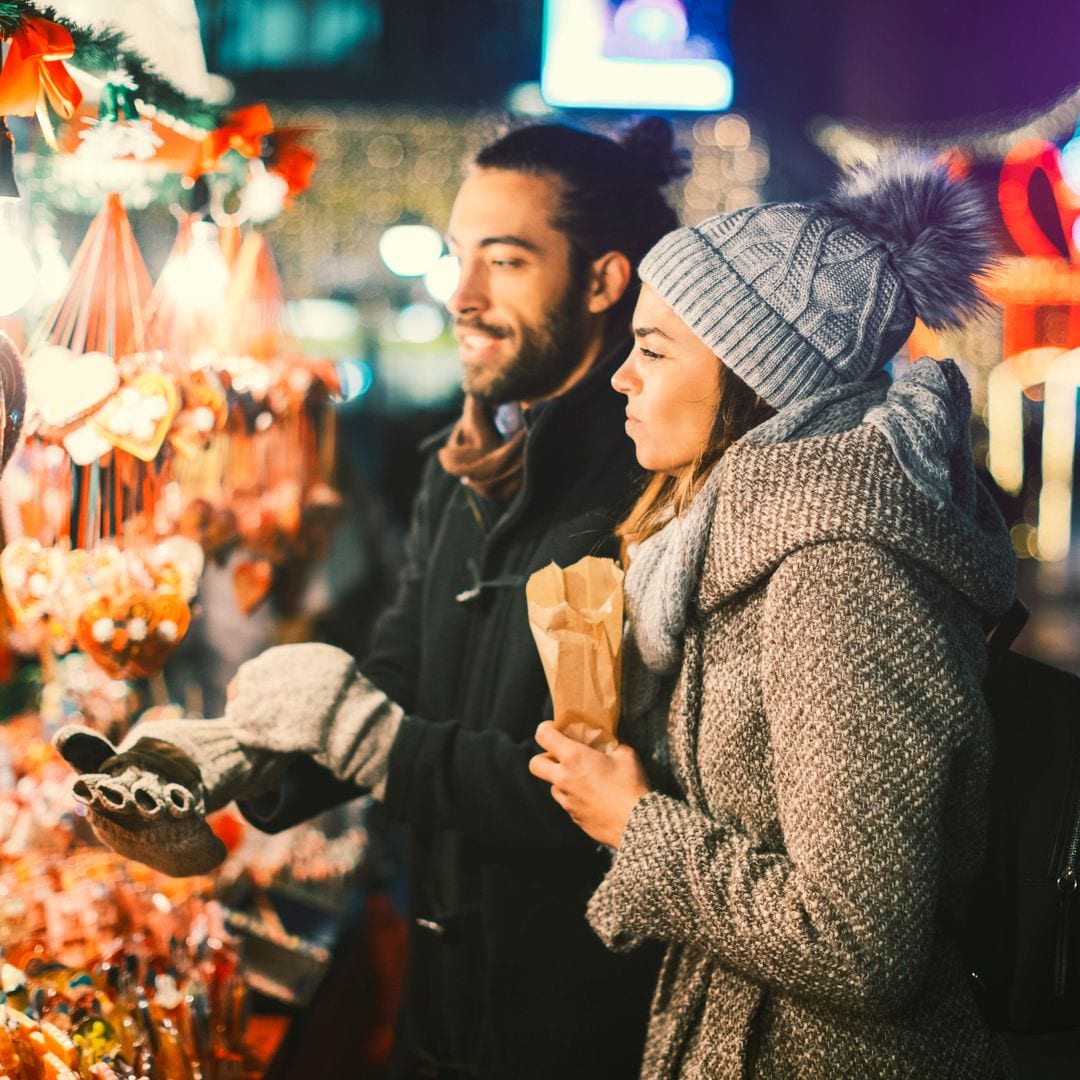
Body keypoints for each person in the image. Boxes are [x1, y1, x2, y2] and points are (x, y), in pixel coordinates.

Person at [55, 120, 686, 1079]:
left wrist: (380, 745)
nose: (461, 296)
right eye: (457, 256)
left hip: (575, 1025)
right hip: (436, 1005)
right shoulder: (457, 467)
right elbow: (397, 673)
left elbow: (615, 796)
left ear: (604, 281)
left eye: (506, 262)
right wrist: (245, 760)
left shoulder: (654, 492)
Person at [529, 155, 1017, 1078]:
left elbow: (864, 942)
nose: (621, 380)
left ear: (755, 376)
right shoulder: (729, 546)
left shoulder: (839, 574)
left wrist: (635, 824)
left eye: (655, 349)